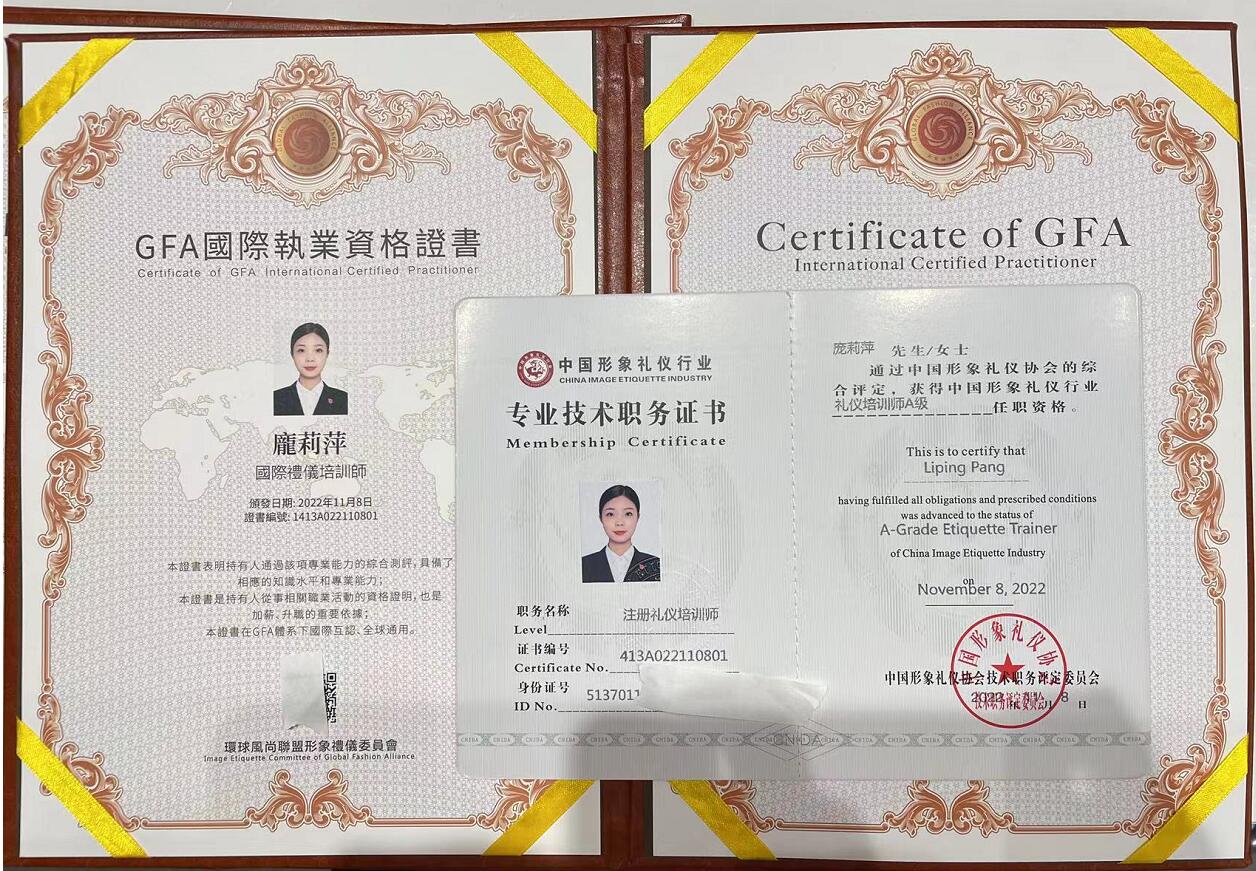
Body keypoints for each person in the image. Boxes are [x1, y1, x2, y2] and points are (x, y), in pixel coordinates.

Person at [582, 484, 660, 583]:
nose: (619, 523)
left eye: (628, 514)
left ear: (638, 517)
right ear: (601, 518)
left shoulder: (654, 565)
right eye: (610, 514)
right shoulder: (584, 565)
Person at [273, 322, 348, 415]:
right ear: (292, 354)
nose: (310, 359)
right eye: (301, 350)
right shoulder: (275, 398)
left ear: (327, 354)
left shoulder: (343, 399)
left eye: (318, 350)